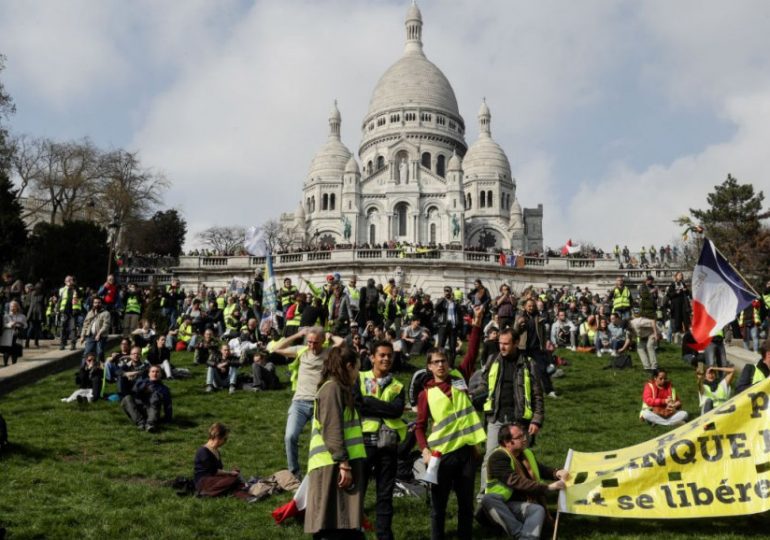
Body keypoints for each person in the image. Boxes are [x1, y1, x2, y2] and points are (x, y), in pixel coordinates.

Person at [415, 306, 485, 540]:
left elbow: (472, 354)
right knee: (439, 507)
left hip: (466, 452)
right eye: (435, 362)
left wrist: (476, 324)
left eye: (443, 360)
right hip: (440, 456)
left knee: (466, 505)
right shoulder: (425, 394)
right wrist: (424, 449)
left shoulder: (459, 379)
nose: (441, 365)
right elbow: (419, 425)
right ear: (429, 367)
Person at [305, 346, 366, 539]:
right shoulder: (332, 388)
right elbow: (332, 429)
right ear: (348, 366)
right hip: (332, 466)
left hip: (336, 465)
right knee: (333, 525)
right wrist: (344, 463)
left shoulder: (337, 388)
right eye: (357, 367)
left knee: (342, 525)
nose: (358, 373)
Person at [478, 326, 544, 498]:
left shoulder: (529, 364)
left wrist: (536, 420)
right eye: (500, 343)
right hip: (496, 417)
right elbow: (484, 385)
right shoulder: (493, 360)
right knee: (489, 458)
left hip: (520, 421)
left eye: (506, 344)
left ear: (516, 343)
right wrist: (473, 394)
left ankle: (525, 496)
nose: (502, 347)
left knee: (522, 459)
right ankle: (485, 495)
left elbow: (537, 395)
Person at [274, 326, 344, 477]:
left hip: (319, 403)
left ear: (323, 341)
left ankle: (319, 471)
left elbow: (342, 342)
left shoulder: (328, 353)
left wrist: (330, 336)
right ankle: (294, 472)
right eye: (309, 342)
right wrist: (298, 334)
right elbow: (276, 348)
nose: (312, 346)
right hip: (299, 402)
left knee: (320, 441)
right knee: (290, 436)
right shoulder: (301, 350)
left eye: (316, 342)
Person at [354, 341, 406, 540]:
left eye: (389, 356)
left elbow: (397, 410)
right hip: (363, 441)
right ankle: (353, 531)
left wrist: (370, 403)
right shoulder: (359, 378)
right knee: (358, 492)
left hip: (387, 444)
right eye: (382, 355)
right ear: (372, 357)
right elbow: (358, 404)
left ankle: (384, 536)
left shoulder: (397, 385)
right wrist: (383, 406)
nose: (386, 359)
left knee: (384, 496)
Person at [479, 423, 568, 539]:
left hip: (521, 504)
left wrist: (556, 473)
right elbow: (516, 481)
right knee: (488, 498)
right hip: (503, 505)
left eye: (524, 435)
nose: (525, 439)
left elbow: (540, 469)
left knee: (538, 510)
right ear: (506, 442)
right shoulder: (498, 457)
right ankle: (520, 533)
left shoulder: (525, 453)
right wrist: (548, 488)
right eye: (519, 437)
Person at [194, 422, 246, 498]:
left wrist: (231, 473)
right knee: (233, 480)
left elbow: (219, 470)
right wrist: (230, 473)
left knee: (234, 479)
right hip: (204, 482)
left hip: (214, 480)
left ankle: (232, 491)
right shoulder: (203, 451)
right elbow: (213, 471)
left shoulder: (216, 451)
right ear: (218, 437)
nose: (225, 441)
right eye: (225, 439)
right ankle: (206, 493)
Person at [121, 365, 173, 432]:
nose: (155, 374)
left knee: (155, 395)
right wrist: (142, 389)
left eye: (157, 372)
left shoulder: (164, 389)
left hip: (152, 411)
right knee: (127, 398)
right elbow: (133, 393)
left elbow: (168, 405)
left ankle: (150, 424)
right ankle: (141, 423)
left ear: (161, 374)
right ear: (149, 374)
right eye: (153, 371)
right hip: (138, 410)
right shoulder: (141, 382)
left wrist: (168, 419)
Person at [434, 286, 462, 365]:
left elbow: (460, 314)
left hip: (453, 326)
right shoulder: (441, 301)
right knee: (440, 346)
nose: (447, 292)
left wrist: (459, 325)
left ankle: (451, 365)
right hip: (443, 325)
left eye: (448, 291)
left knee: (452, 346)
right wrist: (443, 299)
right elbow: (436, 307)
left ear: (451, 292)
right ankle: (438, 362)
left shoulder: (455, 302)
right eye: (445, 291)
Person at [80, 296, 111, 364]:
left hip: (101, 336)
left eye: (99, 303)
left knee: (99, 352)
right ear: (93, 304)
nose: (97, 304)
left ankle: (101, 368)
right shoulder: (90, 312)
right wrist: (82, 336)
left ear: (101, 303)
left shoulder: (106, 313)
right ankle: (83, 369)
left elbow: (106, 325)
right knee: (87, 353)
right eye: (95, 303)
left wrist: (99, 334)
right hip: (90, 336)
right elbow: (85, 324)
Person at [666, 272, 690, 343]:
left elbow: (688, 293)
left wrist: (686, 290)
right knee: (677, 320)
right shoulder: (673, 285)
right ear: (676, 277)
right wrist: (677, 292)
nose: (681, 277)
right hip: (676, 305)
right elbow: (669, 294)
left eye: (682, 275)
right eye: (679, 275)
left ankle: (687, 335)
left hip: (684, 304)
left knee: (686, 319)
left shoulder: (683, 284)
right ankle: (677, 336)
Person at [1, 301, 27, 367]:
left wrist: (20, 324)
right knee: (7, 352)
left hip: (17, 335)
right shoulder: (6, 316)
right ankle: (5, 364)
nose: (12, 308)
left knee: (15, 352)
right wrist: (10, 324)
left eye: (14, 306)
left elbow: (26, 325)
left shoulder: (22, 316)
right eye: (11, 306)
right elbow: (3, 325)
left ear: (17, 307)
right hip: (8, 335)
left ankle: (14, 365)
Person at [25, 282, 45, 348]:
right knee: (35, 328)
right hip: (38, 313)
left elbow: (27, 304)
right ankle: (35, 343)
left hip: (32, 312)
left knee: (32, 328)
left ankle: (27, 343)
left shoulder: (31, 294)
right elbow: (44, 304)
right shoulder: (42, 294)